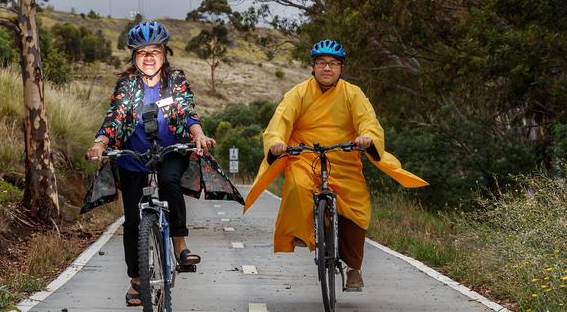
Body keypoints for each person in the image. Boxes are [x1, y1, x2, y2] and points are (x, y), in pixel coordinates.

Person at [244, 39, 428, 290]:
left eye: (333, 63)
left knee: (357, 205)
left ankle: (353, 269)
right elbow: (280, 120)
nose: (327, 68)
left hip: (343, 157)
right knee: (297, 185)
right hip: (304, 155)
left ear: (341, 68)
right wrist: (276, 141)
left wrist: (367, 137)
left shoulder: (353, 93)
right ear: (313, 66)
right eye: (321, 63)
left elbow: (368, 121)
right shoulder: (297, 93)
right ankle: (302, 229)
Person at [86, 21, 232, 307]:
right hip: (133, 155)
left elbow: (188, 113)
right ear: (134, 57)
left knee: (168, 182)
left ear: (165, 53)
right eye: (142, 53)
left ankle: (180, 244)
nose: (149, 57)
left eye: (155, 51)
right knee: (131, 221)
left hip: (171, 149)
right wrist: (100, 143)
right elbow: (114, 117)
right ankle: (137, 281)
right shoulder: (127, 84)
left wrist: (199, 135)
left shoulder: (175, 80)